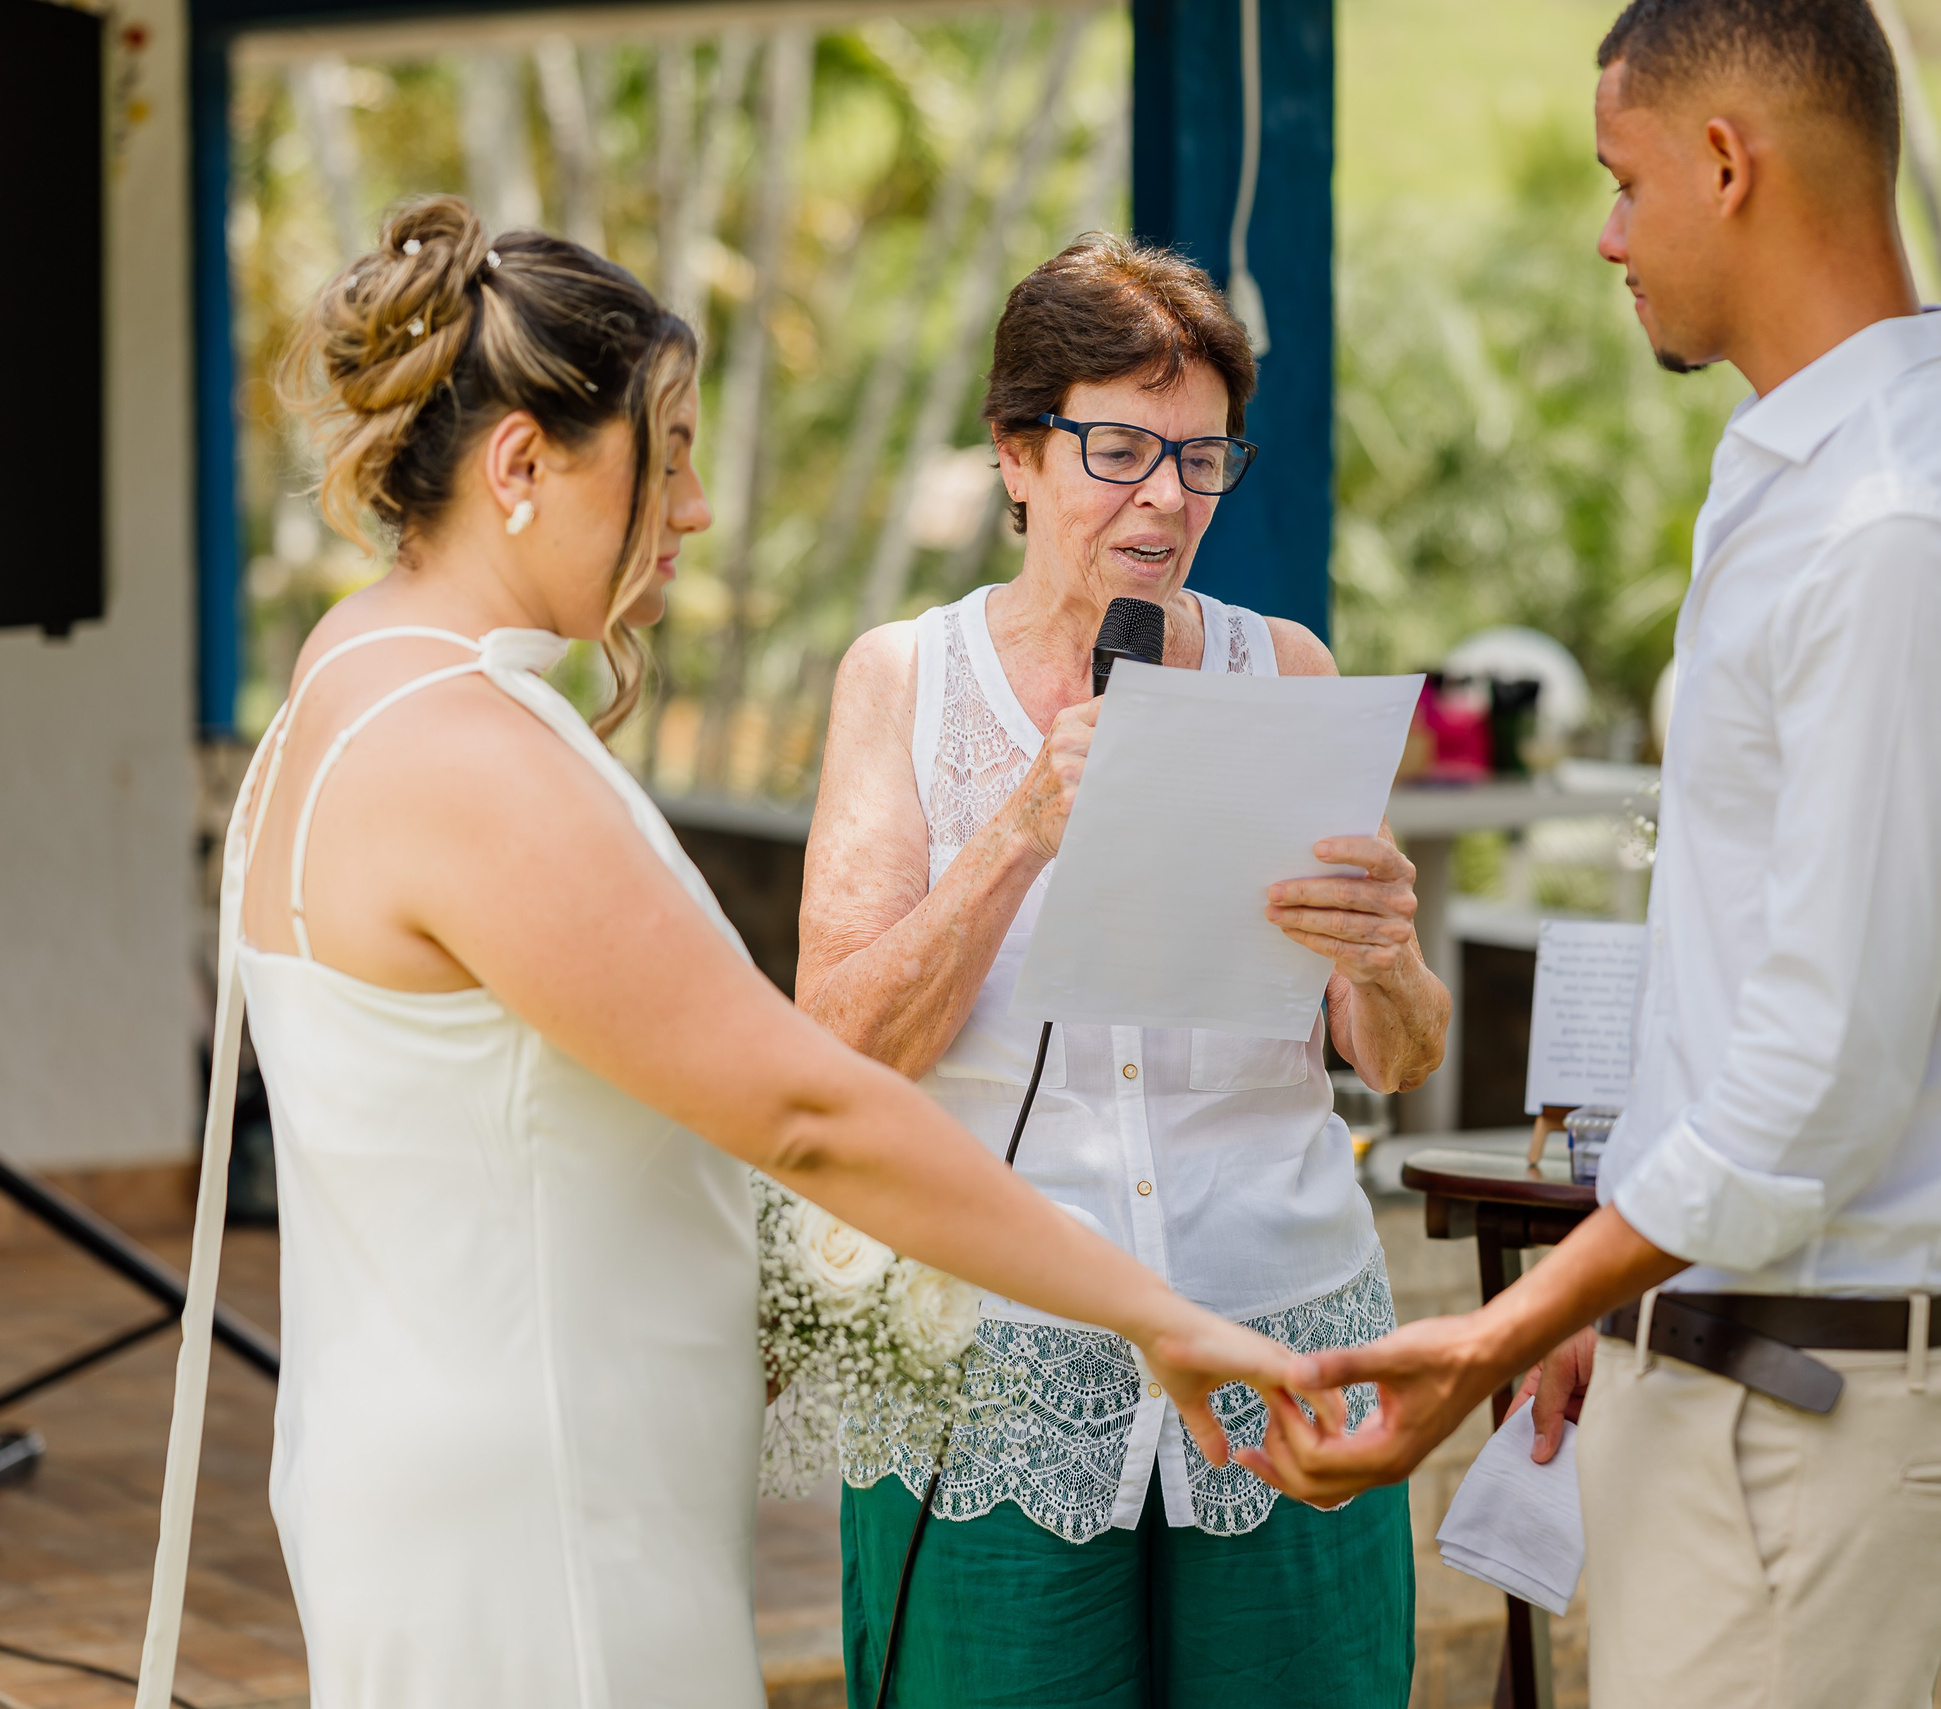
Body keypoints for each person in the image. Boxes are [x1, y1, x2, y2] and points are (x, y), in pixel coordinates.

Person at [232, 197, 1318, 1708]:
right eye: (663, 453)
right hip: (554, 1514)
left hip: (445, 1454)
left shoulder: (352, 663)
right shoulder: (467, 756)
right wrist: (1160, 1313)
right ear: (524, 465)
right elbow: (804, 1105)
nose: (691, 508)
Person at [1248, 3, 1941, 1704]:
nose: (1608, 231)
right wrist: (1600, 1304)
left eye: (1625, 181)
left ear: (1729, 165)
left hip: (1803, 1400)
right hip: (1721, 1352)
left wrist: (1493, 1327)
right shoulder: (1800, 480)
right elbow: (1737, 979)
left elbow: (1820, 1076)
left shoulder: (1896, 534)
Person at [795, 233, 1448, 1708]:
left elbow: (1396, 1053)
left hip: (1285, 1340)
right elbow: (830, 1047)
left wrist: (1387, 961)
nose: (1166, 495)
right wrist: (1019, 828)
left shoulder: (1285, 669)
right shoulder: (902, 679)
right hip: (989, 1367)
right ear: (1016, 454)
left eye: (1203, 459)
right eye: (1120, 447)